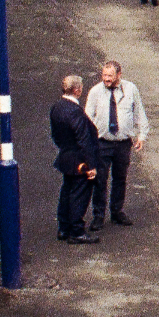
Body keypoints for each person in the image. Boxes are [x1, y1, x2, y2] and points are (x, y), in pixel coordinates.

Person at [84, 61, 149, 227]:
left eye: (110, 76)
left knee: (120, 178)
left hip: (123, 143)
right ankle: (98, 215)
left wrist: (141, 135)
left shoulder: (131, 89)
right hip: (102, 143)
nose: (106, 79)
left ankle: (117, 211)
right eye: (104, 75)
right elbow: (87, 117)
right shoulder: (95, 92)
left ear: (119, 75)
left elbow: (138, 111)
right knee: (100, 180)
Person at [50, 74, 102, 244]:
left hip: (66, 156)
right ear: (77, 90)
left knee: (66, 192)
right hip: (80, 160)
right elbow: (84, 140)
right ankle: (77, 231)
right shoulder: (75, 112)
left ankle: (63, 228)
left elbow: (55, 135)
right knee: (79, 195)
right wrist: (91, 165)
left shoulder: (57, 107)